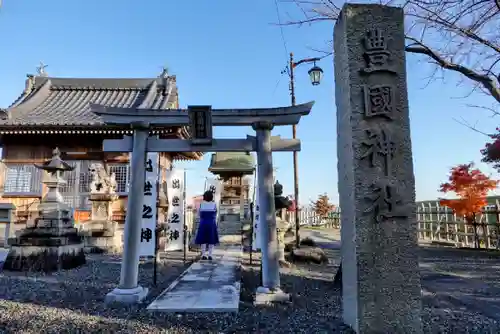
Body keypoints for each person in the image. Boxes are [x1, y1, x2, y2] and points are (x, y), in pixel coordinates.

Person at [194, 190, 219, 260]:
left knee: (203, 239)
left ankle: (203, 255)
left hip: (203, 223)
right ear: (211, 197)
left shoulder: (201, 204)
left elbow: (199, 214)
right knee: (211, 239)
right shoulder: (214, 204)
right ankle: (210, 255)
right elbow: (216, 213)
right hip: (211, 223)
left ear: (204, 197)